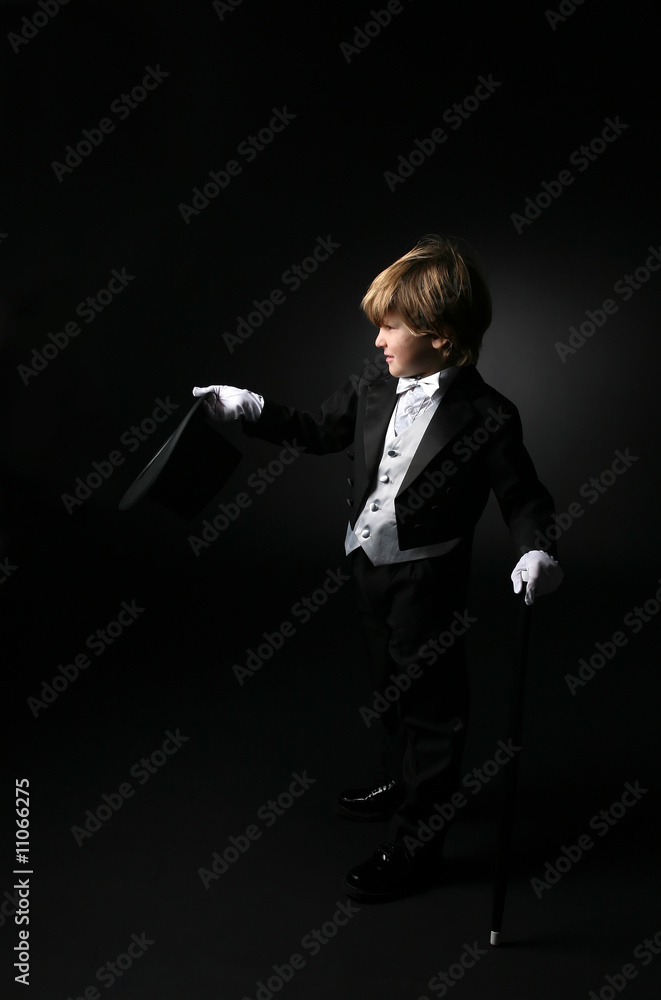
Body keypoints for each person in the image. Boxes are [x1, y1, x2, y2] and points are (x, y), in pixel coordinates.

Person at [193, 235, 563, 902]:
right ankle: (401, 781)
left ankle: (419, 847)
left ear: (442, 337)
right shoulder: (370, 392)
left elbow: (524, 497)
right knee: (391, 687)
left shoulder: (488, 416)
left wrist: (536, 548)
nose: (377, 341)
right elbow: (315, 431)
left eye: (390, 326)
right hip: (365, 565)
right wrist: (250, 409)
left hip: (426, 579)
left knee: (432, 710)